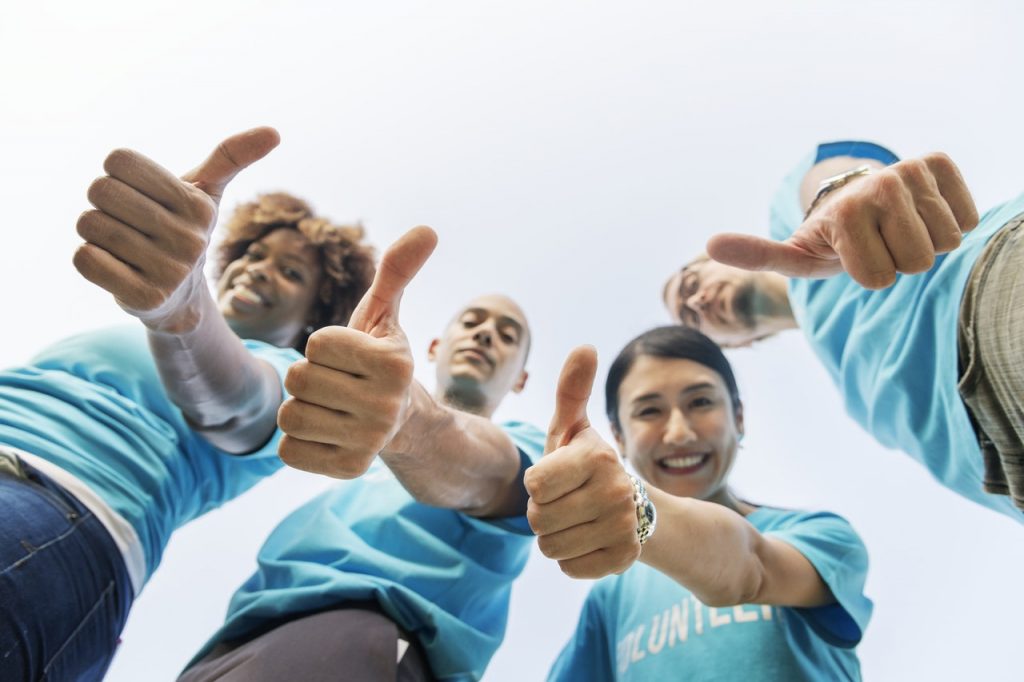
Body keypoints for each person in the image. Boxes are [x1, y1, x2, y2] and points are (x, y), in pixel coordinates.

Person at [0, 127, 376, 681]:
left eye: (290, 272)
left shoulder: (287, 380)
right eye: (253, 253)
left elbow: (234, 404)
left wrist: (182, 311)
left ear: (312, 318)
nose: (258, 268)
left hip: (58, 505)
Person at [178, 233, 544, 682]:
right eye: (471, 323)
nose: (485, 334)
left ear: (522, 380)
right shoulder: (362, 447)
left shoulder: (530, 450)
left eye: (508, 336)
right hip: (238, 636)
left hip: (366, 637)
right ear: (434, 346)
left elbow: (493, 476)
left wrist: (412, 423)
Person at [663, 140, 1024, 520]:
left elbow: (836, 179)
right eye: (691, 318)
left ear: (713, 261)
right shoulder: (849, 388)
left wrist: (842, 192)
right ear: (738, 343)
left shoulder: (794, 219)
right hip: (1001, 474)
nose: (697, 302)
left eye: (690, 285)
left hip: (984, 301)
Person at [525, 327, 872, 681]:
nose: (679, 433)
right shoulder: (611, 596)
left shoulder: (822, 539)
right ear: (619, 437)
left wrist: (637, 510)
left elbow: (752, 566)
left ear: (739, 416)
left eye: (701, 402)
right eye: (649, 411)